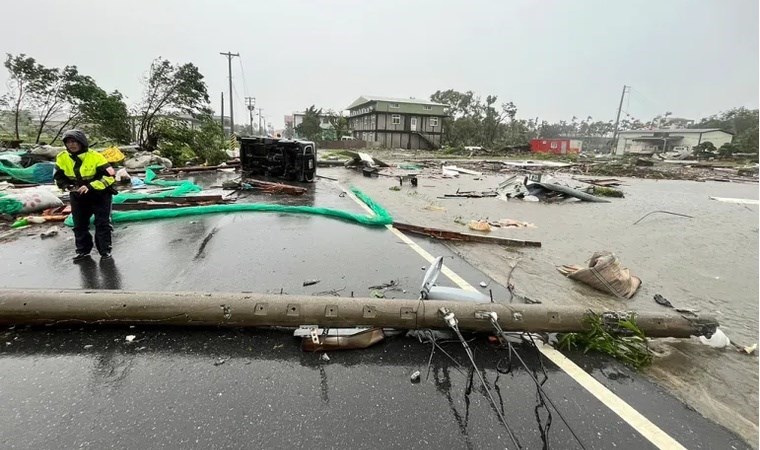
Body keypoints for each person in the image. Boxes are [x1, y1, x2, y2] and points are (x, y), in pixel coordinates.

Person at [54, 130, 117, 262]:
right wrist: (68, 186)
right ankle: (83, 251)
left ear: (82, 142)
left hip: (99, 195)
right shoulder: (62, 157)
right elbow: (58, 177)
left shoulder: (95, 156)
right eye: (68, 142)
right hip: (78, 195)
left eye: (74, 141)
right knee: (79, 225)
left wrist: (90, 186)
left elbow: (110, 176)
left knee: (102, 224)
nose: (72, 145)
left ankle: (105, 251)